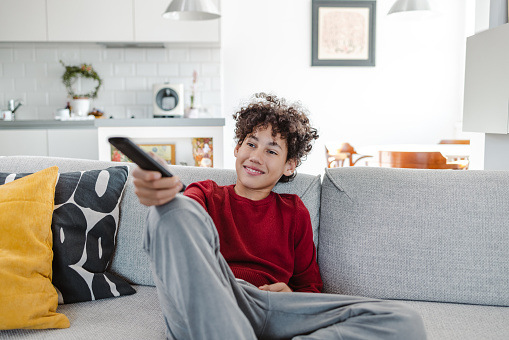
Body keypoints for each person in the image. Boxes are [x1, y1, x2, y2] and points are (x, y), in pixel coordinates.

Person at [133, 93, 427, 340]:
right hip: (209, 297)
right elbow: (177, 223)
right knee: (174, 209)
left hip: (270, 306)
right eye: (251, 143)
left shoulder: (293, 210)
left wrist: (288, 291)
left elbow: (309, 287)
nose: (256, 156)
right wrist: (160, 194)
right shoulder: (207, 194)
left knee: (403, 321)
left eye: (271, 150)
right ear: (237, 148)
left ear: (289, 165)